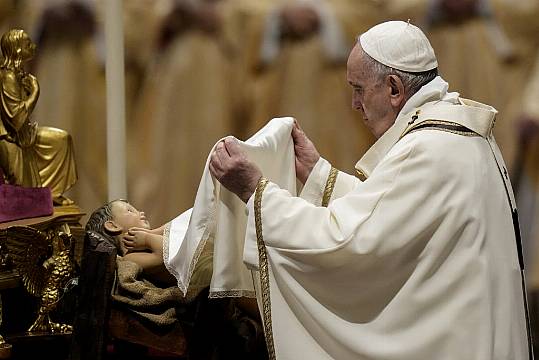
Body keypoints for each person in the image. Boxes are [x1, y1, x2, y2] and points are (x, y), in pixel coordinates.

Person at [209, 20, 531, 358]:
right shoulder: (456, 131)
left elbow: (347, 242)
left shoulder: (429, 149)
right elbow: (390, 217)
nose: (354, 103)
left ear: (393, 88)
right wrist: (318, 174)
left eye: (358, 88)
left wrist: (256, 192)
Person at [0, 28, 77, 205]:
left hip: (23, 135)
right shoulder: (8, 77)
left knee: (62, 140)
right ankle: (44, 200)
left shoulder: (18, 73)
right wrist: (34, 93)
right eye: (28, 44)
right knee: (24, 196)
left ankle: (54, 192)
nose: (33, 47)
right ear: (18, 50)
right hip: (10, 139)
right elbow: (16, 119)